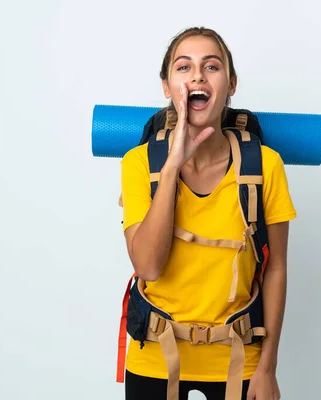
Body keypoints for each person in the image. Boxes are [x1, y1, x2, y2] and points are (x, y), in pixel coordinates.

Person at [119, 27, 296, 400]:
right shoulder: (139, 164)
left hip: (240, 361)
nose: (197, 75)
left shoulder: (265, 165)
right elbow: (148, 267)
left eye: (211, 66)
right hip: (154, 359)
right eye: (183, 67)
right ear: (167, 86)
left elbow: (276, 267)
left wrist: (268, 368)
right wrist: (171, 169)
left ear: (230, 84)